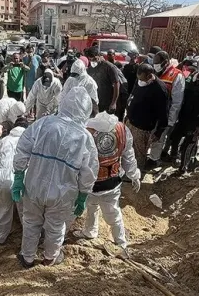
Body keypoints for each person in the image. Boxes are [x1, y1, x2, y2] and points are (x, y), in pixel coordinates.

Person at [12, 87, 99, 268]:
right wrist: (83, 195)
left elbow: (22, 148)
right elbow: (89, 171)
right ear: (87, 110)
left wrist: (19, 175)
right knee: (56, 227)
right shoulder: (85, 138)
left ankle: (27, 257)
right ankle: (50, 258)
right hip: (63, 192)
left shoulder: (44, 123)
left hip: (34, 184)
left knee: (31, 222)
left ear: (64, 102)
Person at [72, 112, 140, 251]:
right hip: (111, 181)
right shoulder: (122, 129)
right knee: (112, 212)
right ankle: (117, 240)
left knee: (94, 207)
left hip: (90, 182)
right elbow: (128, 156)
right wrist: (134, 175)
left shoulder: (85, 131)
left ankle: (113, 240)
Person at [165, 56, 199, 173]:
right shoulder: (191, 78)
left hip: (197, 120)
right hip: (183, 116)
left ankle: (183, 168)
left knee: (188, 144)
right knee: (174, 137)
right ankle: (173, 157)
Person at [0, 117, 29, 244]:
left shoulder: (4, 140)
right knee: (26, 210)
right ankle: (30, 239)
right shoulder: (29, 141)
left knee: (2, 207)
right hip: (21, 179)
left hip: (2, 178)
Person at [125, 63, 169, 169]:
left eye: (143, 79)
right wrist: (128, 114)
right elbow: (133, 96)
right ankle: (127, 170)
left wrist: (159, 132)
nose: (140, 82)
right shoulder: (139, 81)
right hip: (130, 122)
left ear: (150, 76)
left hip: (143, 127)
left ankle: (136, 175)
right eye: (139, 79)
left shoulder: (160, 89)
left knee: (139, 154)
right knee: (127, 149)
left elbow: (163, 113)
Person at [147, 51, 185, 169]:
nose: (155, 65)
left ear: (166, 62)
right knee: (150, 136)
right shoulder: (155, 72)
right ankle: (149, 156)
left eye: (157, 63)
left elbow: (177, 101)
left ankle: (154, 159)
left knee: (159, 138)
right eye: (154, 63)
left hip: (165, 114)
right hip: (151, 112)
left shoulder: (176, 75)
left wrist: (170, 121)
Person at [86, 47, 120, 114]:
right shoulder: (89, 70)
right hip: (95, 103)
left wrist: (114, 103)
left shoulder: (109, 67)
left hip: (107, 103)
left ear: (99, 55)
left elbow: (116, 84)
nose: (93, 61)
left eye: (95, 59)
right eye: (90, 60)